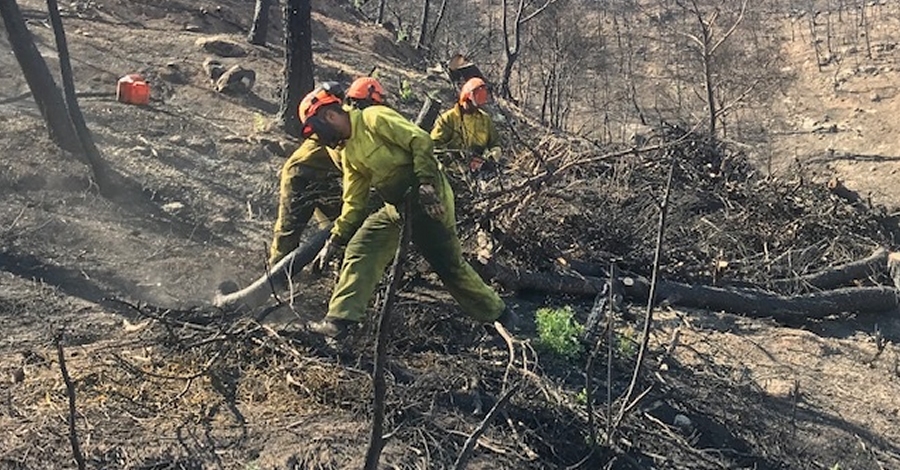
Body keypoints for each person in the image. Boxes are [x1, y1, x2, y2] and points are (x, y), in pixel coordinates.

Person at [296, 84, 517, 338]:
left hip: (429, 198)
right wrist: (335, 241)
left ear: (329, 116)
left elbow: (420, 139)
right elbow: (354, 202)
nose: (322, 140)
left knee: (449, 267)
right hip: (397, 207)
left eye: (320, 132)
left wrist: (425, 183)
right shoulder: (349, 151)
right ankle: (339, 322)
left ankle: (501, 315)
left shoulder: (373, 117)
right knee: (363, 247)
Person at [267, 82, 345, 266]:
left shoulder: (342, 120)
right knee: (289, 232)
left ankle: (335, 264)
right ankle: (276, 277)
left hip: (326, 178)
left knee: (344, 223)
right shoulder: (333, 127)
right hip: (299, 176)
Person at [430, 77, 502, 180]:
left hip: (479, 171)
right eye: (472, 102)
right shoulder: (448, 119)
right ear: (465, 98)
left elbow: (495, 144)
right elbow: (435, 147)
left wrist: (487, 159)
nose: (475, 107)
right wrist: (457, 167)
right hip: (452, 173)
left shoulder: (485, 119)